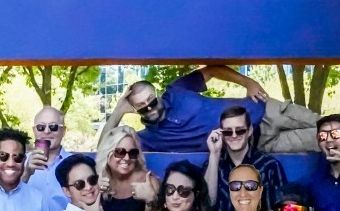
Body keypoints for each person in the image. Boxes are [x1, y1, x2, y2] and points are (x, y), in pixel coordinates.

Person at [99, 65, 270, 153]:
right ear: (135, 110)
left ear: (157, 95)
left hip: (264, 110)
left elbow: (211, 71)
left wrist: (248, 82)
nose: (150, 108)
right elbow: (103, 148)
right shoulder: (148, 139)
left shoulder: (176, 90)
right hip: (255, 142)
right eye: (142, 107)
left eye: (151, 101)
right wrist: (118, 111)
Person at [204, 105, 289, 211]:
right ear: (221, 134)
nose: (234, 136)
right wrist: (214, 154)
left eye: (239, 131)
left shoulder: (270, 165)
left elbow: (282, 208)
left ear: (249, 131)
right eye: (228, 132)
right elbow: (208, 203)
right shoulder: (213, 163)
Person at [22, 105, 73, 211]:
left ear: (63, 131)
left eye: (53, 127)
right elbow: (6, 200)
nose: (47, 131)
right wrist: (26, 173)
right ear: (34, 130)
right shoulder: (18, 162)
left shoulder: (76, 165)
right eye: (41, 127)